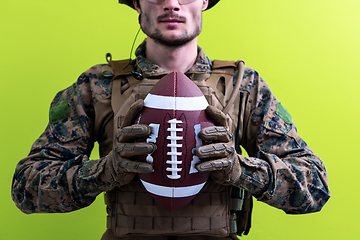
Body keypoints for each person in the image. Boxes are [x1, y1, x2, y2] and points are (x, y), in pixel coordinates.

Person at [11, 0, 331, 240]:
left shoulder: (242, 87)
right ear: (137, 2)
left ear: (205, 1)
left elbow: (314, 187)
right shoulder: (98, 86)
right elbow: (26, 187)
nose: (172, 3)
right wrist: (104, 171)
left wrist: (239, 169)